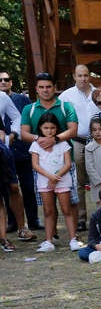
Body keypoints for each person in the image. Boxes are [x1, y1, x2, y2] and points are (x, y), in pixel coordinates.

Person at [20, 72, 80, 245]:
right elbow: (24, 133)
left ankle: (74, 235)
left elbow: (73, 130)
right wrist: (39, 139)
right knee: (48, 204)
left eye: (48, 86)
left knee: (70, 202)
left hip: (65, 161)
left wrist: (55, 139)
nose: (45, 90)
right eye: (41, 87)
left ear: (54, 87)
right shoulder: (29, 109)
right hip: (42, 163)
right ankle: (51, 235)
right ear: (36, 89)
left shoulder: (66, 106)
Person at [29, 112, 79, 253]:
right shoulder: (35, 145)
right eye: (46, 128)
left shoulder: (63, 144)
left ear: (57, 128)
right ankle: (49, 240)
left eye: (52, 128)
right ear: (40, 128)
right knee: (48, 211)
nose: (49, 131)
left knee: (66, 209)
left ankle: (73, 239)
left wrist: (57, 177)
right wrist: (50, 177)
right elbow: (35, 165)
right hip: (44, 182)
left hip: (62, 181)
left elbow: (68, 164)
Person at [0, 70, 41, 233]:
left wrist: (14, 135)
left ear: (11, 82)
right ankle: (12, 223)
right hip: (4, 153)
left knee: (27, 187)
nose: (3, 82)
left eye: (6, 79)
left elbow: (25, 119)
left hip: (21, 149)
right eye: (0, 80)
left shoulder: (21, 99)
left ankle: (33, 220)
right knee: (8, 189)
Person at [58, 64, 97, 230]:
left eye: (86, 75)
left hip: (97, 142)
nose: (83, 78)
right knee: (79, 182)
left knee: (98, 179)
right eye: (80, 75)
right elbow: (58, 117)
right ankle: (81, 218)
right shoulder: (67, 96)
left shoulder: (98, 93)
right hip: (78, 141)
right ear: (74, 76)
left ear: (90, 76)